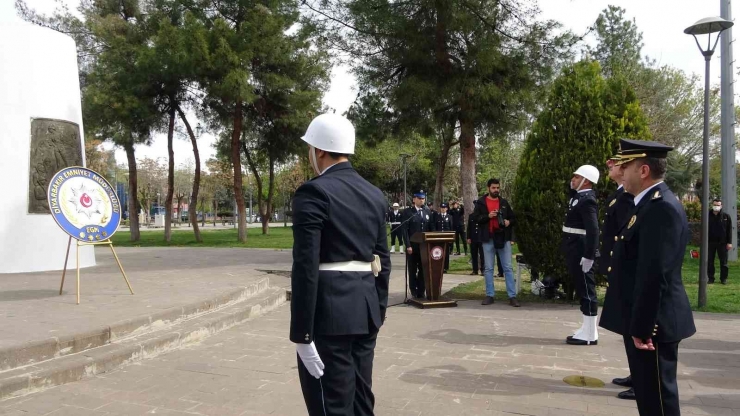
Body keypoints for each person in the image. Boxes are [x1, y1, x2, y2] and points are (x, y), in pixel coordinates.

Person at [290, 113, 391, 416]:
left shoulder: (313, 191)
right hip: (365, 309)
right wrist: (378, 310)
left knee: (330, 405)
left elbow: (306, 266)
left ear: (319, 150)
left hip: (328, 314)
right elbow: (382, 259)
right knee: (361, 402)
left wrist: (302, 335)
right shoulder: (374, 194)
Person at [606, 138, 696, 416]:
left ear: (643, 171)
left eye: (626, 166)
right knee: (649, 398)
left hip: (654, 325)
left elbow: (654, 273)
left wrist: (643, 327)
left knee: (657, 400)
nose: (621, 171)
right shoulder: (646, 203)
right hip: (644, 319)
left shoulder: (661, 208)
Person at [598, 157, 636, 400]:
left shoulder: (629, 197)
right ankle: (636, 372)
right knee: (627, 325)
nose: (610, 166)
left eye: (615, 164)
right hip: (617, 267)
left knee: (634, 324)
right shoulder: (618, 194)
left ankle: (642, 377)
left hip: (626, 268)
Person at [562, 165, 600, 346]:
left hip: (581, 248)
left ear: (587, 181)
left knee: (586, 288)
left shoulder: (587, 200)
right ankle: (586, 327)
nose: (573, 179)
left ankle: (590, 333)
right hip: (574, 246)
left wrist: (589, 255)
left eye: (577, 177)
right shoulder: (578, 197)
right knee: (582, 286)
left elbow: (593, 230)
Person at [472, 179, 519, 307]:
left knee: (508, 267)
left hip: (503, 238)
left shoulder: (503, 202)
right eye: (493, 188)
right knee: (488, 268)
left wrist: (509, 221)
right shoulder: (481, 203)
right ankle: (490, 295)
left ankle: (512, 296)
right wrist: (488, 216)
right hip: (488, 238)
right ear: (488, 188)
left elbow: (513, 218)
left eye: (498, 187)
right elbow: (475, 218)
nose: (496, 190)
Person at [403, 191, 435, 298]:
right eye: (419, 198)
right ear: (414, 199)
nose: (422, 200)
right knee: (412, 269)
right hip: (413, 246)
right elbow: (405, 231)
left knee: (423, 269)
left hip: (424, 246)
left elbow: (430, 228)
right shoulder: (408, 212)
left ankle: (421, 290)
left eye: (423, 198)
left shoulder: (427, 211)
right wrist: (408, 245)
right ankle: (413, 290)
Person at [708, 198, 733, 284]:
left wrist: (729, 242)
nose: (716, 207)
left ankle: (723, 279)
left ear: (721, 206)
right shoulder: (707, 215)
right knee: (710, 261)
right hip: (710, 242)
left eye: (718, 205)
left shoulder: (726, 216)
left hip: (722, 243)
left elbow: (729, 230)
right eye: (715, 205)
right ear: (712, 205)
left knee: (724, 262)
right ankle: (711, 278)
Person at [435, 202, 454, 272]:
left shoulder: (449, 217)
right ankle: (440, 266)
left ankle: (446, 267)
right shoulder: (437, 217)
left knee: (446, 253)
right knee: (439, 252)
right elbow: (436, 228)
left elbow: (451, 228)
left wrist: (451, 238)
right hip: (439, 237)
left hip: (446, 237)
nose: (443, 209)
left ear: (446, 209)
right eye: (442, 208)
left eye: (444, 208)